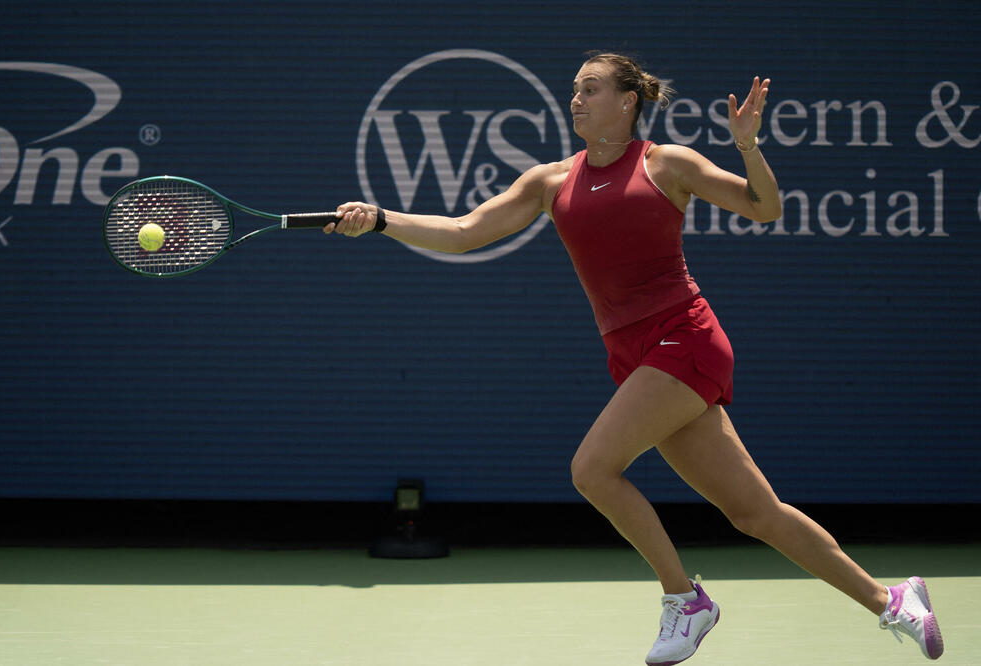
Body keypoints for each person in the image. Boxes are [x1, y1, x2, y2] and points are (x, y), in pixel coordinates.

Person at [327, 52, 944, 664]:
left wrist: (749, 146)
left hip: (685, 338)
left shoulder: (667, 164)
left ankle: (685, 599)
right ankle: (892, 599)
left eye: (590, 89)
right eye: (574, 90)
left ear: (628, 102)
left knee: (592, 469)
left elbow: (764, 207)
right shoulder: (549, 182)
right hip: (633, 356)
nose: (577, 99)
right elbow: (464, 232)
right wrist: (380, 219)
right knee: (756, 512)